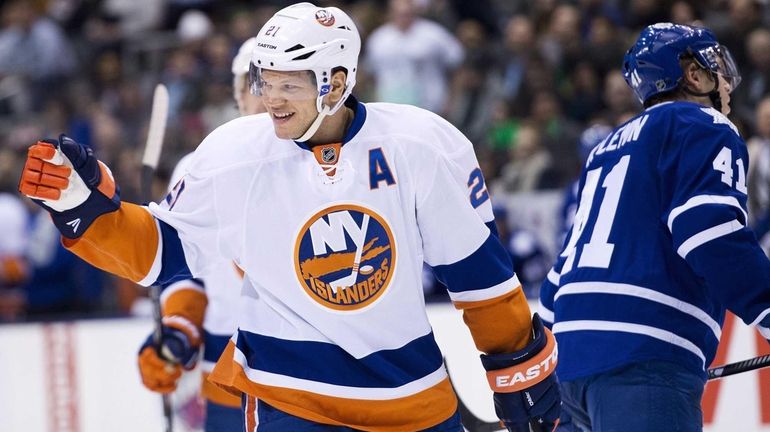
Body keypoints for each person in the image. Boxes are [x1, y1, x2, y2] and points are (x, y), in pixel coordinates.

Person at [18, 3, 559, 432]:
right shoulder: (232, 154)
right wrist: (84, 211)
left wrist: (517, 367)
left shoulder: (421, 145)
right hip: (288, 398)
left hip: (410, 399)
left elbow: (477, 276)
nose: (269, 100)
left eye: (289, 85)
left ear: (337, 81)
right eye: (264, 81)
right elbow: (161, 253)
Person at [538, 23, 770, 432]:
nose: (728, 85)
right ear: (693, 75)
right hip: (645, 354)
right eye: (715, 67)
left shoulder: (604, 149)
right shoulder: (703, 125)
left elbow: (560, 275)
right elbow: (710, 234)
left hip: (571, 360)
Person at [136, 36, 266, 432]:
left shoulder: (330, 163)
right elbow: (186, 267)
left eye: (284, 83)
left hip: (317, 370)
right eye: (256, 84)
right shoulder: (202, 166)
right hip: (226, 367)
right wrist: (178, 327)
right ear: (238, 94)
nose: (268, 96)